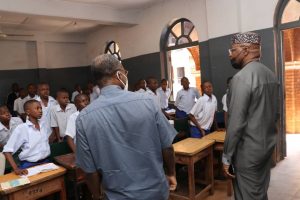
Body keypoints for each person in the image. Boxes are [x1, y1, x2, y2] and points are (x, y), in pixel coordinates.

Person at [76, 54, 177, 200]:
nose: (126, 75)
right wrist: (171, 173)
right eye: (125, 72)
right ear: (119, 74)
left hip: (117, 195)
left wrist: (97, 196)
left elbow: (89, 170)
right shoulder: (148, 102)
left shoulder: (84, 118)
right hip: (155, 191)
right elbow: (167, 146)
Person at [222, 32, 278, 200]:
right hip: (266, 148)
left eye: (233, 50)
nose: (230, 54)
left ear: (245, 50)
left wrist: (226, 156)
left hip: (247, 154)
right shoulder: (271, 75)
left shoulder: (240, 78)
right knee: (260, 192)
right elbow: (276, 115)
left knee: (246, 195)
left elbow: (235, 124)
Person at [3, 100, 51, 175]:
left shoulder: (43, 124)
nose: (40, 111)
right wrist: (16, 169)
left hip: (46, 163)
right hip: (29, 165)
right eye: (37, 108)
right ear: (28, 112)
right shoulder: (22, 128)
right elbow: (7, 151)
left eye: (41, 108)